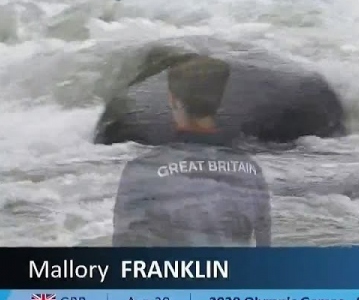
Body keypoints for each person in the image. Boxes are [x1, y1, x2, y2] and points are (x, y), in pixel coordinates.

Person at [112, 56, 272, 247]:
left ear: (173, 101)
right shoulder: (250, 171)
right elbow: (264, 248)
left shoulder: (143, 171)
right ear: (218, 102)